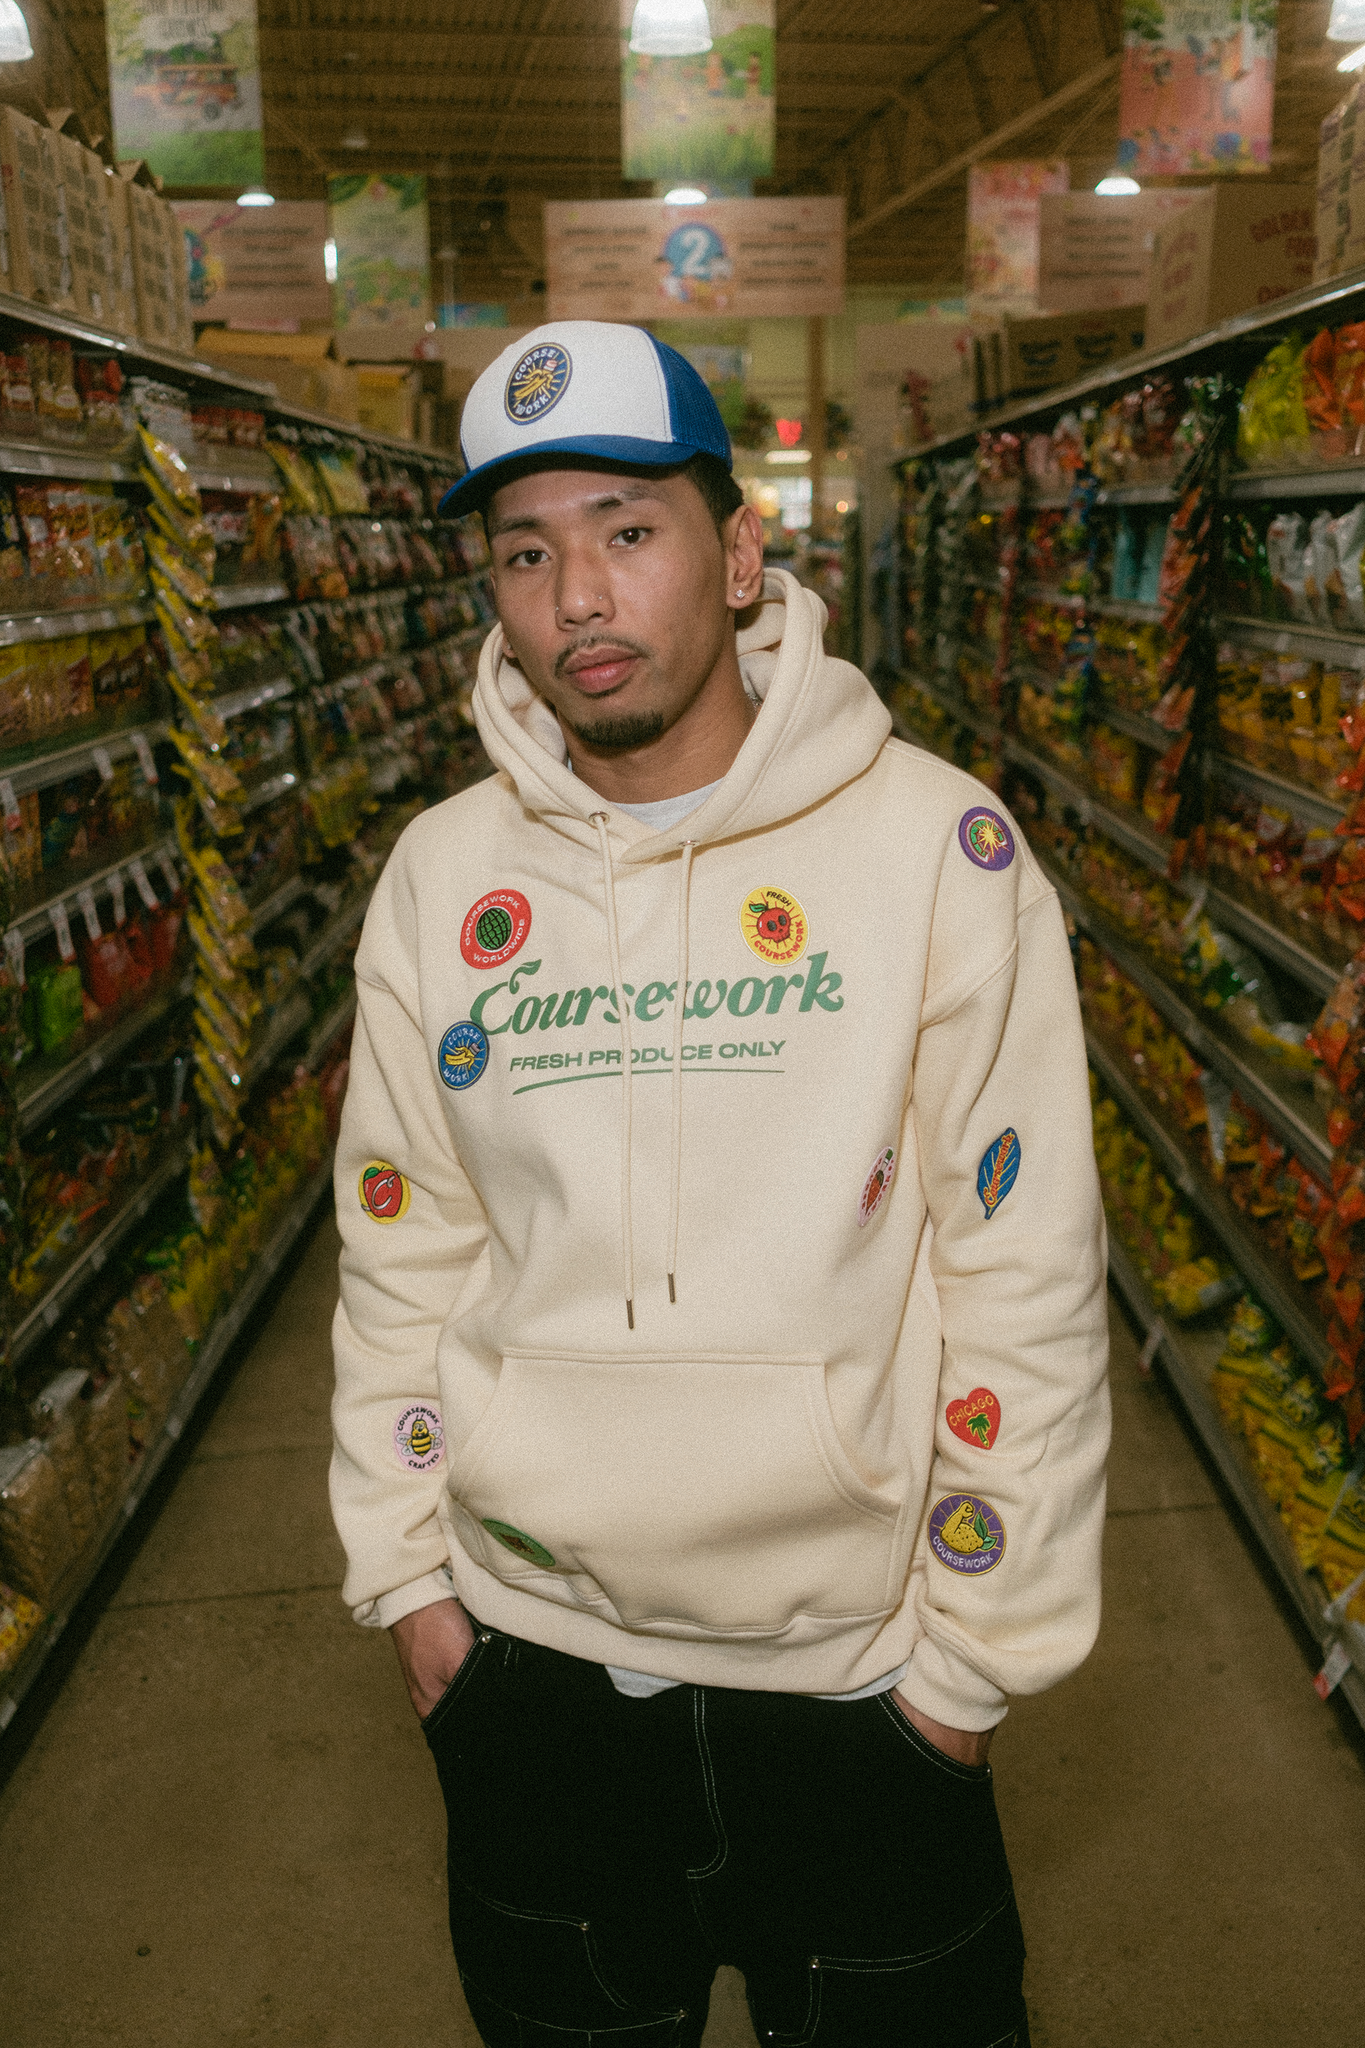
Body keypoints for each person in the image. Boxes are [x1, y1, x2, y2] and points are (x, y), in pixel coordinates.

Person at [329, 320, 1110, 2047]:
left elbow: (1026, 1267)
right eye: (525, 552)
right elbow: (404, 1248)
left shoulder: (937, 849)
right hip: (530, 1681)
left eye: (627, 529)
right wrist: (410, 1586)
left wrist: (967, 1671)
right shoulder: (439, 879)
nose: (577, 600)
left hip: (861, 1694)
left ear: (738, 548)